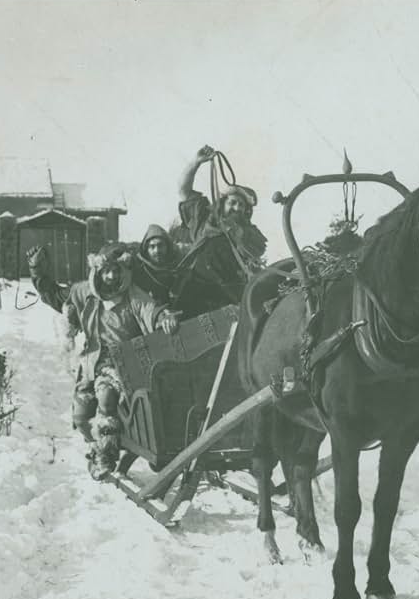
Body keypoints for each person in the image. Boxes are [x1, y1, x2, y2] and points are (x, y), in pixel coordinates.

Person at [26, 242, 178, 480]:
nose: (111, 277)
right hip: (91, 363)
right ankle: (99, 443)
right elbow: (55, 296)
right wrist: (37, 272)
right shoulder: (84, 293)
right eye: (106, 271)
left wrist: (163, 317)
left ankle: (106, 455)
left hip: (123, 362)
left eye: (116, 271)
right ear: (97, 271)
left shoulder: (131, 295)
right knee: (81, 416)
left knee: (106, 399)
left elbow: (150, 310)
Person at [171, 144, 269, 273]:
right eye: (232, 202)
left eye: (241, 205)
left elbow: (256, 252)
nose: (237, 208)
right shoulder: (203, 218)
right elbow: (183, 191)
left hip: (233, 289)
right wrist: (195, 162)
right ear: (222, 203)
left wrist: (235, 231)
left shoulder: (252, 233)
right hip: (198, 283)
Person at [129, 224, 181, 307]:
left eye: (160, 245)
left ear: (167, 246)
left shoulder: (178, 265)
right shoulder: (140, 269)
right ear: (146, 249)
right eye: (152, 247)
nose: (157, 251)